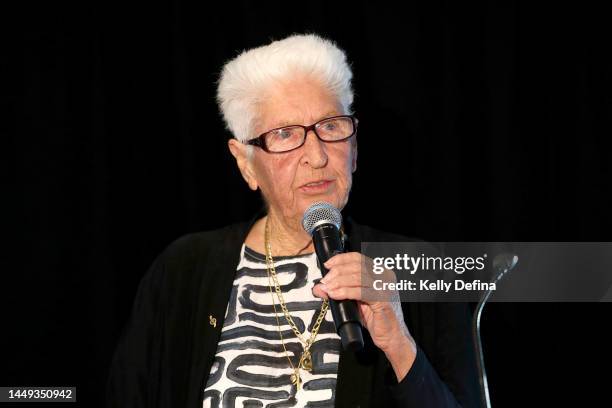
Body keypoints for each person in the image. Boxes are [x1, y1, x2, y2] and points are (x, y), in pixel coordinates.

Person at [106, 33, 480, 407]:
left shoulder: (421, 268)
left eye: (331, 126)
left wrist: (398, 343)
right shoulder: (184, 268)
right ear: (245, 162)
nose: (316, 156)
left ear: (354, 148)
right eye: (285, 134)